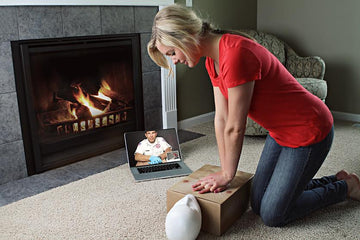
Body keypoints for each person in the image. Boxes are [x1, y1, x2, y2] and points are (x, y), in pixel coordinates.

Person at [147, 4, 360, 227]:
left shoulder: (235, 54)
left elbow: (235, 127)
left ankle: (345, 188)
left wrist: (228, 174)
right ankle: (336, 179)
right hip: (280, 132)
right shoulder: (212, 60)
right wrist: (222, 170)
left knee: (272, 214)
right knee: (258, 203)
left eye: (172, 52)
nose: (174, 60)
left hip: (310, 129)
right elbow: (221, 119)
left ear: (186, 35)